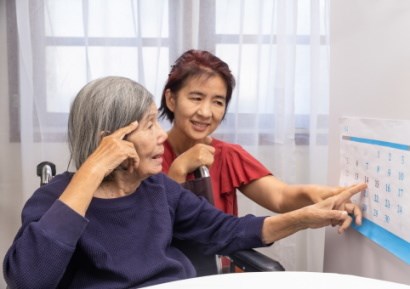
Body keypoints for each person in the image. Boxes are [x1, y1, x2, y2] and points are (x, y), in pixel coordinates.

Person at [3, 76, 366, 289]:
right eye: (148, 125)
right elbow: (29, 280)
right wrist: (89, 174)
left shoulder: (159, 190)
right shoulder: (53, 201)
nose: (161, 137)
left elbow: (230, 231)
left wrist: (308, 217)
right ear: (109, 141)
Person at [159, 49, 362, 218]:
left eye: (218, 102)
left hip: (218, 264)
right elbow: (152, 226)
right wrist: (179, 169)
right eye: (196, 98)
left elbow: (280, 197)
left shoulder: (228, 155)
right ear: (171, 99)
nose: (205, 112)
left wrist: (321, 195)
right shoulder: (147, 155)